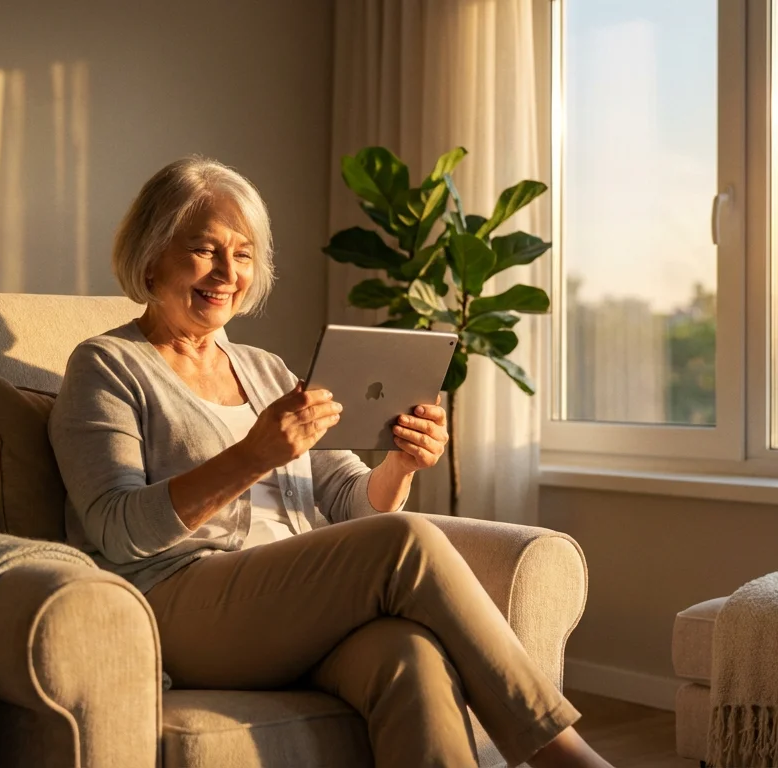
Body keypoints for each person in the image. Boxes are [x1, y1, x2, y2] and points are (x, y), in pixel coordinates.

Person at [50, 156, 611, 768]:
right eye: (204, 249)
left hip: (286, 604)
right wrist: (252, 456)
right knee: (403, 541)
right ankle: (566, 756)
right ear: (152, 253)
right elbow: (115, 530)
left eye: (241, 255)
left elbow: (348, 500)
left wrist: (399, 465)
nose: (226, 272)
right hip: (175, 605)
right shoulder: (105, 366)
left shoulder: (267, 370)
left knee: (408, 655)